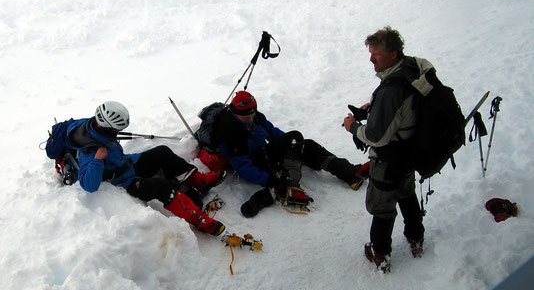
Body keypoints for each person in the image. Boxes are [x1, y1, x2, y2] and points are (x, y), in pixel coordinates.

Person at [66, 101, 227, 236]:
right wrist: (97, 160)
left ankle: (198, 181)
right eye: (116, 131)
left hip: (127, 164)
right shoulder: (89, 151)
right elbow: (88, 185)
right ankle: (197, 219)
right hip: (124, 182)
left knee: (162, 152)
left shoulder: (95, 127)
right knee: (162, 187)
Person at [343, 26, 425, 273]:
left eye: (376, 54)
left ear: (392, 54)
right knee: (406, 193)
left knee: (382, 206)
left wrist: (352, 126)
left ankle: (379, 253)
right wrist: (376, 108)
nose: (371, 58)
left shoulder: (391, 90)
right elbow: (406, 107)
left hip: (389, 158)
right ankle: (416, 238)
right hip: (410, 149)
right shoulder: (412, 68)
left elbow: (375, 136)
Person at [218, 90, 370, 217]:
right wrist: (270, 181)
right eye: (246, 118)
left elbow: (274, 133)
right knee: (295, 138)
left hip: (266, 153)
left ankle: (349, 173)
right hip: (257, 161)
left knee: (306, 144)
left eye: (252, 115)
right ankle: (290, 187)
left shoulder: (255, 117)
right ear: (235, 113)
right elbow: (244, 168)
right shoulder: (230, 133)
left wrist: (295, 148)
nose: (251, 119)